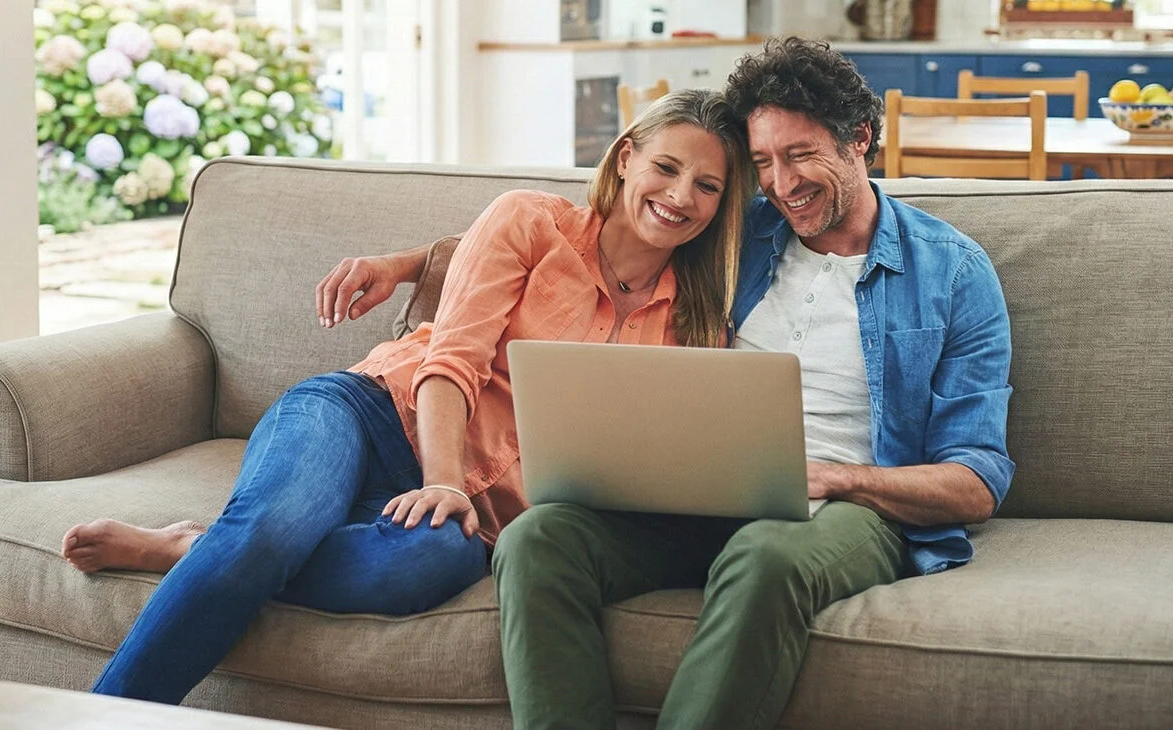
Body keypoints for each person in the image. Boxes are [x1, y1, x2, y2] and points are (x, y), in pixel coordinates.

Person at [315, 37, 1015, 730]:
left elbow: (977, 480)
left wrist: (835, 478)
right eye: (763, 163)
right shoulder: (741, 232)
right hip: (689, 499)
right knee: (537, 539)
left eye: (801, 156)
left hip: (840, 512)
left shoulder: (951, 272)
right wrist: (405, 263)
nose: (781, 183)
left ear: (859, 139)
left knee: (765, 556)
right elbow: (585, 228)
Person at [61, 87, 755, 705]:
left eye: (708, 186)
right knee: (273, 526)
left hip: (472, 518)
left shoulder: (695, 324)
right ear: (627, 157)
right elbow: (452, 360)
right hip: (366, 414)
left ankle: (196, 551)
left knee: (425, 565)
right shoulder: (530, 223)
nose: (681, 196)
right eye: (667, 168)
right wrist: (445, 481)